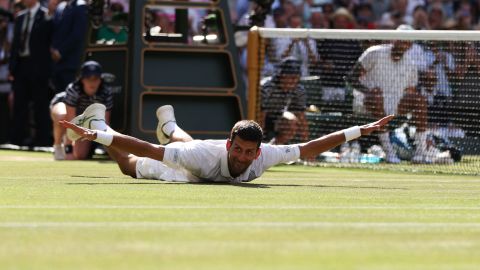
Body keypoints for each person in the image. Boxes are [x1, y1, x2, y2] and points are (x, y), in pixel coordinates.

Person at [61, 103, 393, 183]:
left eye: (251, 152)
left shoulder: (266, 156)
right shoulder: (205, 154)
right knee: (127, 167)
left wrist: (361, 130)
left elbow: (311, 147)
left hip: (195, 156)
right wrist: (100, 136)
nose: (245, 157)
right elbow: (148, 149)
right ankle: (97, 120)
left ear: (259, 151)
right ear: (229, 144)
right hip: (187, 171)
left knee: (187, 147)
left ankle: (171, 125)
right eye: (239, 150)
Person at [347, 25, 431, 164]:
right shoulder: (374, 52)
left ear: (410, 45)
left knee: (419, 100)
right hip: (366, 101)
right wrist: (368, 91)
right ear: (394, 39)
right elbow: (351, 78)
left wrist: (411, 106)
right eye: (401, 40)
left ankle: (421, 153)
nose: (403, 44)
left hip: (394, 105)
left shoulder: (411, 64)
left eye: (407, 42)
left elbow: (410, 91)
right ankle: (390, 153)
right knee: (377, 99)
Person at [9, 0, 53, 146]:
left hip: (38, 68)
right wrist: (12, 67)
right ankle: (17, 139)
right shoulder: (20, 17)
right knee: (19, 105)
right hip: (21, 66)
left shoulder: (45, 15)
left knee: (40, 104)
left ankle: (42, 140)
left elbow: (48, 42)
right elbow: (15, 44)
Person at [49, 60, 113, 160]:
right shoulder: (73, 89)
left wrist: (112, 151)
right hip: (63, 106)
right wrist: (68, 149)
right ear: (82, 79)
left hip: (84, 118)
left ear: (100, 80)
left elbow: (105, 122)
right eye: (88, 78)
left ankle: (68, 142)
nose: (92, 82)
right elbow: (70, 121)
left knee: (80, 155)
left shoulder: (106, 92)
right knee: (61, 116)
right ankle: (57, 146)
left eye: (95, 78)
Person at [260, 57, 308, 143]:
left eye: (296, 77)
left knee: (291, 123)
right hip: (259, 115)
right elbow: (261, 114)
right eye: (290, 76)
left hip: (279, 115)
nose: (293, 80)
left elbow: (301, 116)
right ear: (281, 74)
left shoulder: (299, 90)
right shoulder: (267, 86)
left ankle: (274, 147)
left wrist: (308, 145)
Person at [50, 0, 88, 93]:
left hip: (70, 63)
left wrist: (60, 52)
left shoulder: (80, 6)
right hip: (56, 63)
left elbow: (77, 34)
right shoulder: (61, 7)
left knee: (70, 98)